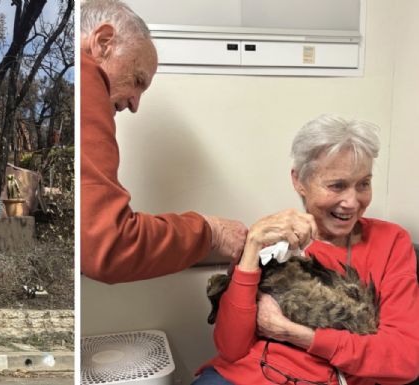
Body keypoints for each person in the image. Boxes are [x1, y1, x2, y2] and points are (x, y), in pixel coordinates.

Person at [192, 114, 419, 385]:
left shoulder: (390, 242)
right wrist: (251, 248)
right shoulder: (272, 238)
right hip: (245, 375)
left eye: (364, 184)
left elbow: (405, 361)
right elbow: (231, 348)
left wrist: (294, 333)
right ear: (299, 181)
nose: (352, 201)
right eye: (337, 185)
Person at [80, 0, 248, 284]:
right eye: (137, 80)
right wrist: (211, 232)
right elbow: (109, 246)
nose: (134, 104)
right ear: (103, 42)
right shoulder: (86, 78)